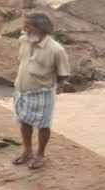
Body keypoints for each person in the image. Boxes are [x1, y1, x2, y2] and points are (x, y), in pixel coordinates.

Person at [12, 12, 70, 170]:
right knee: (24, 121)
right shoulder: (23, 40)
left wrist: (56, 86)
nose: (23, 27)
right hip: (21, 89)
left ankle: (40, 154)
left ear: (39, 28)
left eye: (27, 25)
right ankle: (27, 151)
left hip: (42, 92)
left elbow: (63, 73)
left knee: (43, 125)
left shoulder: (56, 50)